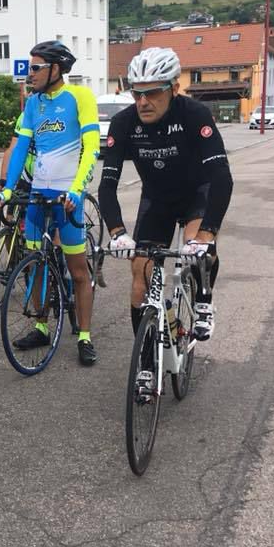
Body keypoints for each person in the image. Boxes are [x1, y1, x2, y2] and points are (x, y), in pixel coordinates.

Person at [100, 47, 233, 341]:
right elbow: (107, 183)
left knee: (196, 252)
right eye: (136, 94)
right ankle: (146, 358)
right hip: (158, 200)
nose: (143, 102)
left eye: (153, 93)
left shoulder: (194, 114)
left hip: (196, 194)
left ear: (174, 88)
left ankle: (203, 303)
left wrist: (206, 236)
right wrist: (118, 232)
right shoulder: (124, 123)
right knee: (140, 273)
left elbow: (222, 177)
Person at [1, 40, 100, 366]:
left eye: (36, 68)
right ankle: (41, 325)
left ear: (55, 69)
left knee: (78, 271)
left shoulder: (79, 97)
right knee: (36, 263)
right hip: (38, 196)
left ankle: (84, 335)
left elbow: (91, 148)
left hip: (66, 198)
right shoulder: (33, 103)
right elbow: (20, 148)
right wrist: (7, 188)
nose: (30, 74)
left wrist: (76, 190)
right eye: (30, 68)